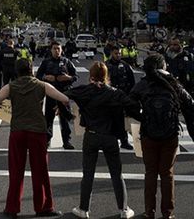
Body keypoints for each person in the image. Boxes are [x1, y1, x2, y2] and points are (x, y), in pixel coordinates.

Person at [0, 59, 69, 218]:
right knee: (40, 171)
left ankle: (12, 209)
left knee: (16, 171)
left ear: (17, 71)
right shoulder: (42, 85)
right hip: (37, 131)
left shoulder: (10, 86)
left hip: (17, 130)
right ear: (31, 70)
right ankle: (43, 207)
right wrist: (59, 108)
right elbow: (64, 98)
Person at [66, 62, 138, 219]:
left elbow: (65, 95)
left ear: (91, 75)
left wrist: (65, 112)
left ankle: (84, 209)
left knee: (88, 174)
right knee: (116, 174)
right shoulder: (115, 93)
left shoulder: (84, 91)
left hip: (91, 134)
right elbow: (132, 106)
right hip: (110, 136)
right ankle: (123, 209)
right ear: (107, 76)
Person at [129, 54, 194, 219]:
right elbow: (190, 103)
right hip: (170, 134)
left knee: (150, 173)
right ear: (163, 65)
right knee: (167, 174)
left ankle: (149, 212)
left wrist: (143, 117)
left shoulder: (144, 83)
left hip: (148, 134)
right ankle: (168, 213)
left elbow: (128, 104)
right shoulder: (173, 83)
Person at [36, 41, 77, 149]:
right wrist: (45, 77)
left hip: (64, 94)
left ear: (62, 50)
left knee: (65, 120)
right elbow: (38, 76)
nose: (57, 51)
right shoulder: (46, 62)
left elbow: (75, 76)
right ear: (51, 50)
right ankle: (47, 140)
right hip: (51, 94)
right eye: (54, 48)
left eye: (59, 49)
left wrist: (68, 78)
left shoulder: (67, 62)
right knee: (48, 119)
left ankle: (66, 141)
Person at [106, 46, 136, 150]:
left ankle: (124, 141)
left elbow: (132, 81)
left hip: (123, 97)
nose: (118, 55)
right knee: (109, 120)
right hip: (110, 97)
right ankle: (110, 141)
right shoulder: (106, 66)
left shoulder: (125, 65)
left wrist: (131, 96)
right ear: (111, 54)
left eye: (119, 53)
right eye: (116, 53)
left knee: (123, 121)